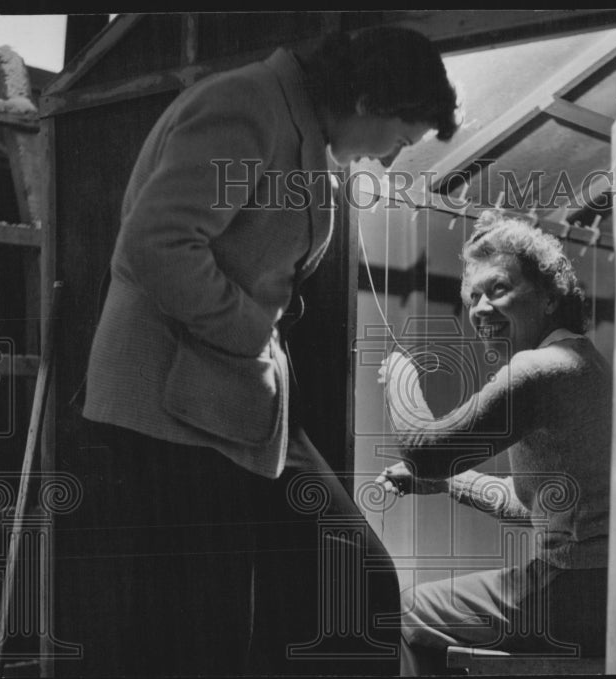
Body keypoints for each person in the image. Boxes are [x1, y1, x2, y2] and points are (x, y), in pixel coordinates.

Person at [66, 26, 458, 677]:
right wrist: (252, 331)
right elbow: (156, 245)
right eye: (398, 137)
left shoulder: (300, 128)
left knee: (356, 579)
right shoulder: (246, 107)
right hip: (168, 406)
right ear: (367, 98)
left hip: (237, 403)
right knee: (201, 633)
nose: (391, 159)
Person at [376, 211, 611, 675]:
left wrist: (400, 380)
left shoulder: (542, 369)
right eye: (473, 296)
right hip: (603, 591)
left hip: (571, 588)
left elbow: (425, 450)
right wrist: (448, 485)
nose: (481, 309)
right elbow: (541, 509)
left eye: (499, 289)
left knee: (406, 611)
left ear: (548, 297)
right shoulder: (584, 363)